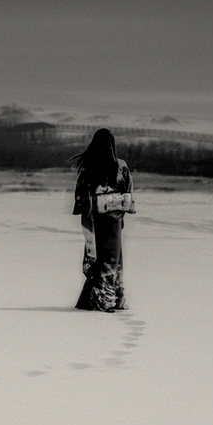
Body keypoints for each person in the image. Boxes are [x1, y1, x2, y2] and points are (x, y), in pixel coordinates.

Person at [70, 128, 135, 312]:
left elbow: (81, 198)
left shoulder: (91, 168)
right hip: (110, 221)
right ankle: (107, 299)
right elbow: (128, 194)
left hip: (99, 221)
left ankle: (101, 299)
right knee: (109, 261)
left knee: (100, 259)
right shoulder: (118, 167)